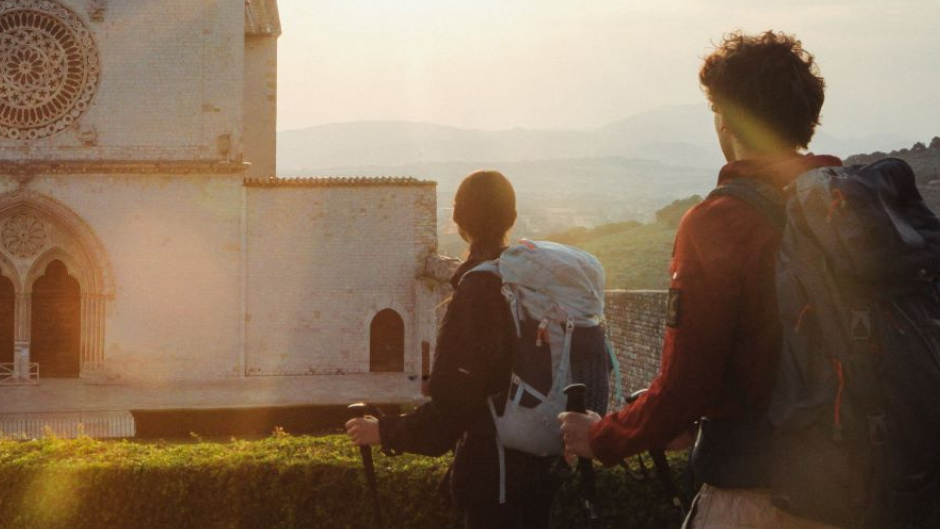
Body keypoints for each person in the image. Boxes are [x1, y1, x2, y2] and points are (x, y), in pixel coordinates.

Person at [559, 30, 842, 528]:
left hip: (762, 496)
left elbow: (684, 386)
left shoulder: (721, 222)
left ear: (727, 119)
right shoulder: (848, 209)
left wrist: (599, 437)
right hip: (861, 489)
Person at [347, 170, 559, 529]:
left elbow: (450, 411)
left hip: (495, 485)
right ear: (511, 217)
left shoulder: (479, 289)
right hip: (542, 473)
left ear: (458, 219)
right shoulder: (528, 283)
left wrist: (382, 431)